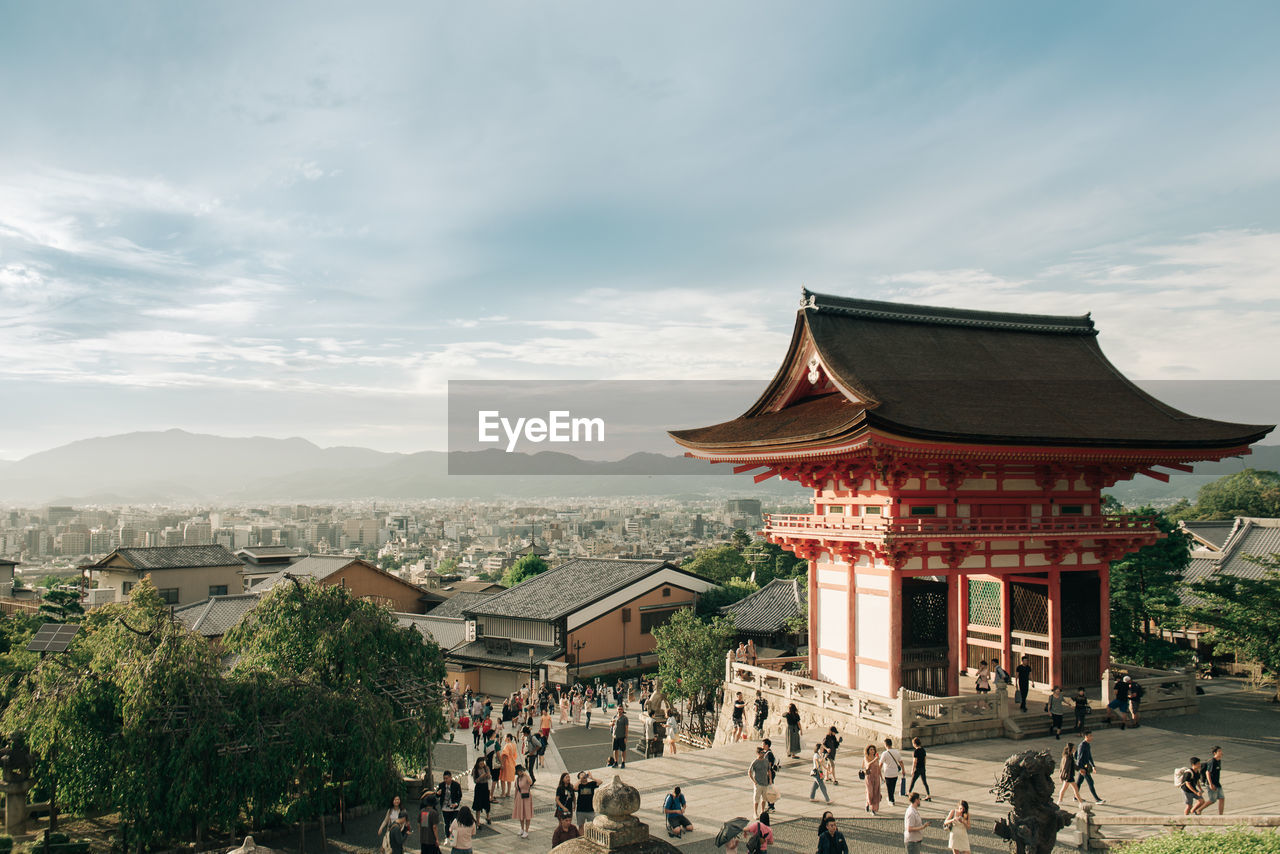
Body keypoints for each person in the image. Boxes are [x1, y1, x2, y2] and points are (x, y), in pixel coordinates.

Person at [1075, 730, 1104, 803]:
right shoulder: (1082, 745)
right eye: (1090, 736)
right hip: (1083, 767)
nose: (1092, 737)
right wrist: (1081, 768)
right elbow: (1079, 758)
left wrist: (1093, 765)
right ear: (1086, 736)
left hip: (1086, 766)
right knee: (1090, 782)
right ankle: (1097, 799)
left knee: (1079, 782)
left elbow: (1089, 756)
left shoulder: (1087, 744)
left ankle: (1075, 797)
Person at [748, 746, 772, 816]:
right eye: (762, 753)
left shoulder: (766, 761)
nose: (763, 754)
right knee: (756, 799)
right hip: (758, 783)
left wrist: (770, 779)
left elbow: (769, 770)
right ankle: (755, 812)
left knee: (764, 799)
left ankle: (762, 811)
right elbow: (749, 772)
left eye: (764, 752)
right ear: (758, 753)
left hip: (765, 783)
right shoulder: (755, 762)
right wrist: (754, 781)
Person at [512, 764, 534, 838]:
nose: (520, 772)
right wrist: (515, 799)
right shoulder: (517, 779)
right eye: (518, 771)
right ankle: (522, 828)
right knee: (521, 814)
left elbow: (531, 782)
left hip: (527, 797)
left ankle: (526, 830)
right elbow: (516, 789)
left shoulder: (526, 777)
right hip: (520, 796)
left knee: (527, 814)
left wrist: (526, 775)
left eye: (521, 771)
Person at [882, 737, 904, 806]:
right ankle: (891, 798)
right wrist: (903, 770)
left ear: (885, 745)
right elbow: (901, 762)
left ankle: (891, 800)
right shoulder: (897, 752)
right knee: (893, 786)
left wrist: (879, 773)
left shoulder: (884, 753)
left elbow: (880, 764)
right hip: (895, 772)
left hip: (888, 773)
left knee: (889, 787)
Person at [863, 743, 883, 814]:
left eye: (873, 750)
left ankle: (873, 809)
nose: (872, 751)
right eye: (871, 750)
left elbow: (878, 768)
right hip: (869, 777)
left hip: (876, 777)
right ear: (868, 751)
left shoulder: (876, 758)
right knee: (870, 792)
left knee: (876, 793)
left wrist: (881, 777)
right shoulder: (866, 757)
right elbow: (867, 765)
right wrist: (875, 759)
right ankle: (867, 803)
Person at [1204, 746, 1225, 815]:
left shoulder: (1219, 760)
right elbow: (1207, 772)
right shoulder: (1212, 761)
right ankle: (1198, 810)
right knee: (1212, 800)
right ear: (1214, 753)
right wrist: (1210, 784)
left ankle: (1221, 815)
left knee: (1222, 798)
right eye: (1219, 751)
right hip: (1211, 783)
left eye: (1221, 751)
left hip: (1217, 783)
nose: (1221, 752)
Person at [470, 759, 491, 825]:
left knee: (487, 802)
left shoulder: (486, 768)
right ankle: (478, 821)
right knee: (478, 804)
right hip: (479, 787)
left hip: (485, 786)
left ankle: (488, 817)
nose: (482, 765)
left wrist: (488, 776)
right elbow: (475, 781)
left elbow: (489, 777)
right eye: (480, 764)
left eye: (483, 764)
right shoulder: (475, 770)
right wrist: (481, 777)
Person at [498, 733, 518, 798]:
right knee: (509, 779)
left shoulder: (507, 745)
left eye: (505, 737)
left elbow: (505, 755)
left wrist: (502, 764)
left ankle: (503, 793)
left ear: (508, 738)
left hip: (506, 763)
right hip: (512, 763)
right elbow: (515, 755)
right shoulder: (514, 745)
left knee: (503, 779)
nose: (504, 738)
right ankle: (508, 792)